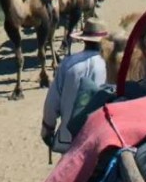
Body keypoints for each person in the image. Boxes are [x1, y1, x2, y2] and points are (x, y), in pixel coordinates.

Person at [40, 18, 109, 153]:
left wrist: (47, 129)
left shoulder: (67, 64)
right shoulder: (110, 64)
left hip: (68, 139)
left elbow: (52, 102)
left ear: (83, 39)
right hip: (102, 138)